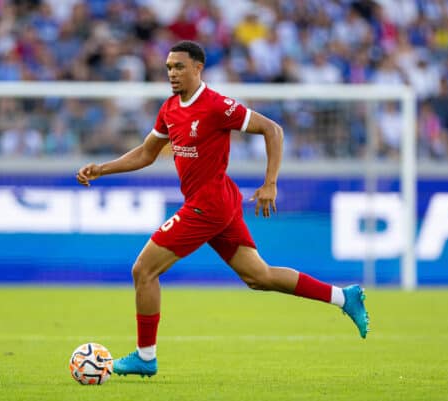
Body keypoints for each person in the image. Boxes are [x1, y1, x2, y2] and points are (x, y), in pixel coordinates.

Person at [76, 41, 369, 378]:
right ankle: (344, 298)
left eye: (180, 67)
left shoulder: (217, 105)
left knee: (143, 271)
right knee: (259, 276)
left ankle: (145, 356)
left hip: (209, 203)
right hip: (216, 200)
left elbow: (272, 130)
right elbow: (146, 152)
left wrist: (270, 182)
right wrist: (102, 169)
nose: (172, 73)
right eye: (169, 67)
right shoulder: (170, 108)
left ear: (198, 68)